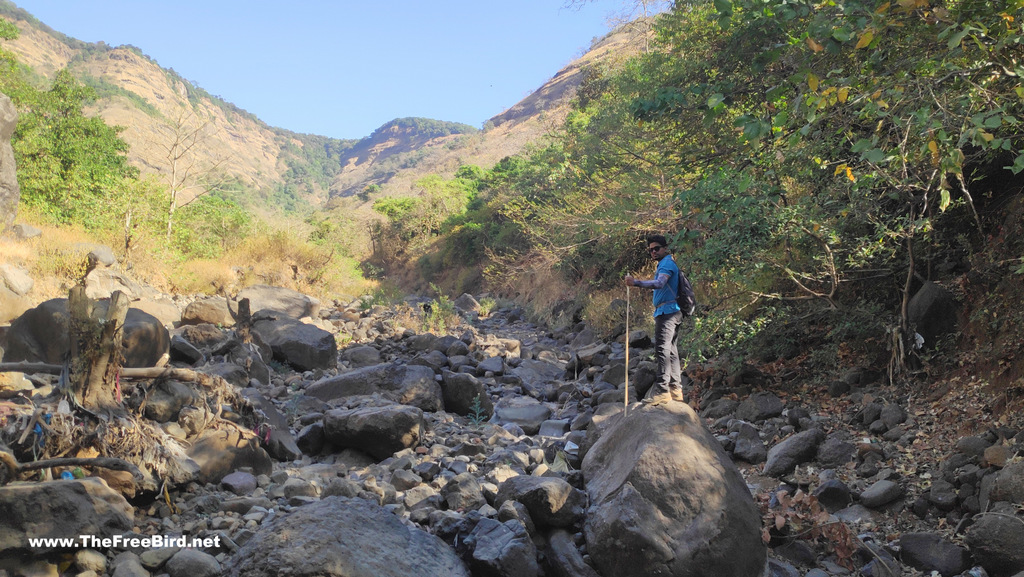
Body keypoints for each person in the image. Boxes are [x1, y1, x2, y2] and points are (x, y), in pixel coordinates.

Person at [625, 234, 683, 405]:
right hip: (670, 311)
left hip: (668, 313)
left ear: (665, 248)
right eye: (650, 250)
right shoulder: (665, 263)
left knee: (662, 350)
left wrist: (636, 282)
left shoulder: (667, 264)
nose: (653, 252)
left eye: (656, 248)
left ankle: (663, 391)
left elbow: (659, 283)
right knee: (671, 351)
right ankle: (676, 390)